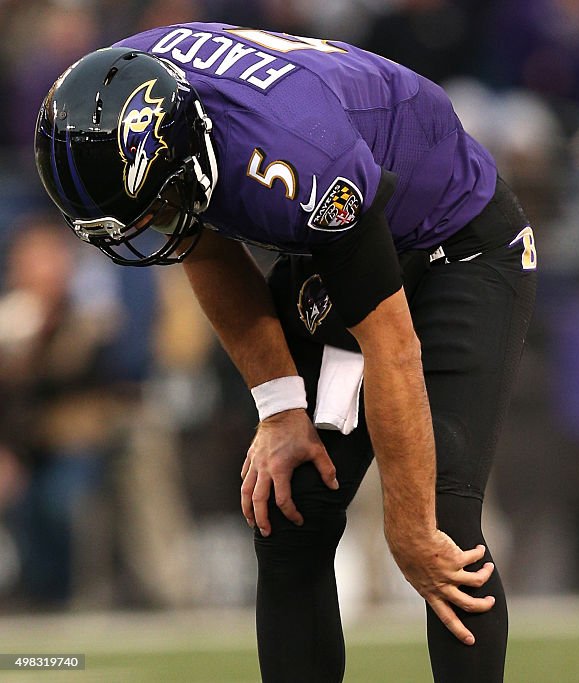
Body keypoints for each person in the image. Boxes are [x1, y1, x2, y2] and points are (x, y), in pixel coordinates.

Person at [34, 22, 537, 682]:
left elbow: (390, 343)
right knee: (289, 511)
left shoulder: (295, 159)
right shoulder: (141, 93)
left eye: (151, 206)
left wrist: (406, 528)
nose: (151, 224)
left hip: (455, 244)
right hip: (339, 233)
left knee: (440, 531)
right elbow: (202, 243)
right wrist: (279, 410)